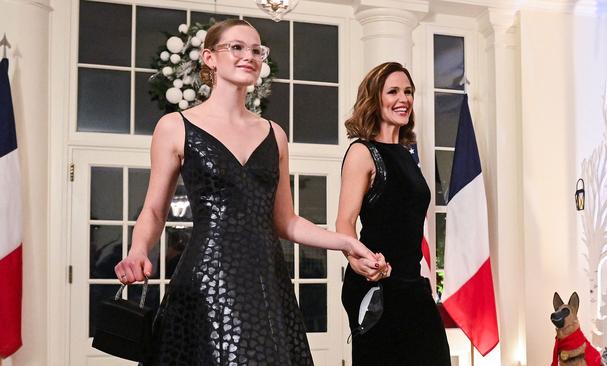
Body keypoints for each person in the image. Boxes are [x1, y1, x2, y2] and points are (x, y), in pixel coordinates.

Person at [114, 18, 383, 365]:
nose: (249, 56)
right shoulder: (175, 126)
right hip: (207, 280)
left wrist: (347, 242)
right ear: (209, 58)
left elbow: (286, 222)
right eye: (237, 48)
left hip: (265, 279)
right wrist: (138, 249)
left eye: (256, 50)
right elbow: (153, 210)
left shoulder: (275, 134)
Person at [337, 62, 452, 365]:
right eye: (393, 91)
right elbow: (345, 221)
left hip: (411, 283)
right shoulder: (362, 152)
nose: (403, 99)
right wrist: (357, 259)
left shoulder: (405, 154)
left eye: (408, 92)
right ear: (374, 99)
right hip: (377, 284)